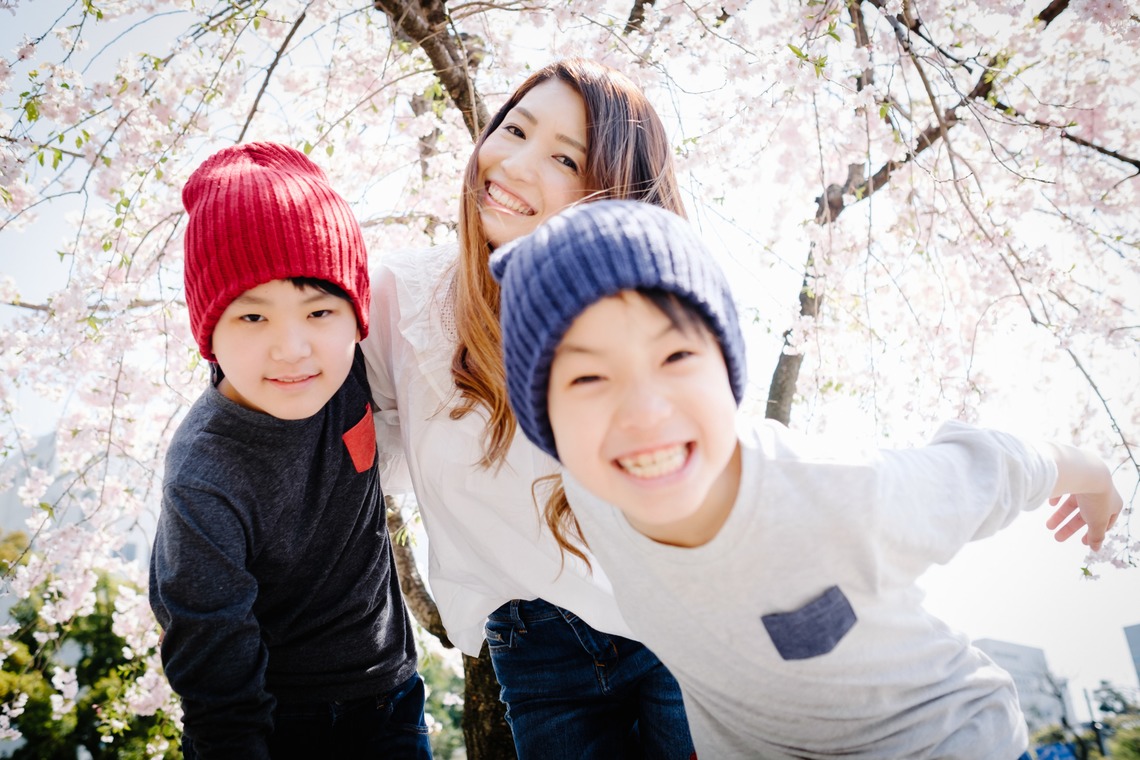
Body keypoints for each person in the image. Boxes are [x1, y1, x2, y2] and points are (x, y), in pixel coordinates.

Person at [492, 199, 1124, 760]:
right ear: (545, 421)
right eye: (587, 378)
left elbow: (993, 465)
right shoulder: (594, 492)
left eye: (677, 356)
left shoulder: (837, 491)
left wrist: (1096, 480)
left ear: (728, 368)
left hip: (942, 738)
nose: (643, 413)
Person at [361, 59, 694, 758]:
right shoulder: (402, 299)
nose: (513, 165)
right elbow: (365, 457)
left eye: (564, 157)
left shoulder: (648, 322)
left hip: (677, 620)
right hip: (537, 646)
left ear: (612, 195)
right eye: (513, 130)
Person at [150, 142, 430, 759]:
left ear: (353, 316)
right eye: (253, 318)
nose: (293, 348)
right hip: (279, 723)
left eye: (319, 310)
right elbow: (209, 647)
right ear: (209, 333)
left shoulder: (348, 372)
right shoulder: (205, 473)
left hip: (392, 697)